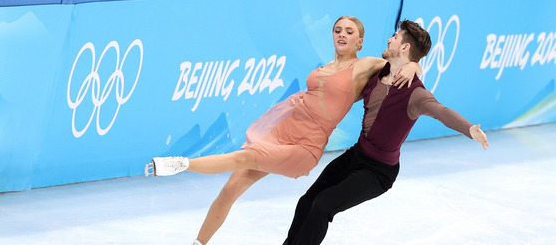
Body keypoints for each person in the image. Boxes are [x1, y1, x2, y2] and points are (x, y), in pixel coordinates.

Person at [148, 16, 421, 245]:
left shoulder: (366, 65)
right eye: (337, 30)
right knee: (230, 190)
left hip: (305, 144)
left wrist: (413, 64)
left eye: (350, 32)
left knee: (245, 156)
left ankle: (180, 164)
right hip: (286, 127)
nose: (342, 34)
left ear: (359, 41)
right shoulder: (326, 66)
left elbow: (407, 60)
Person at [283, 20, 489, 245]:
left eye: (395, 37)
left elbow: (441, 111)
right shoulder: (377, 74)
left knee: (323, 205)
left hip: (378, 172)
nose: (389, 39)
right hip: (356, 155)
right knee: (307, 201)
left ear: (404, 48)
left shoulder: (414, 94)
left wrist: (469, 129)